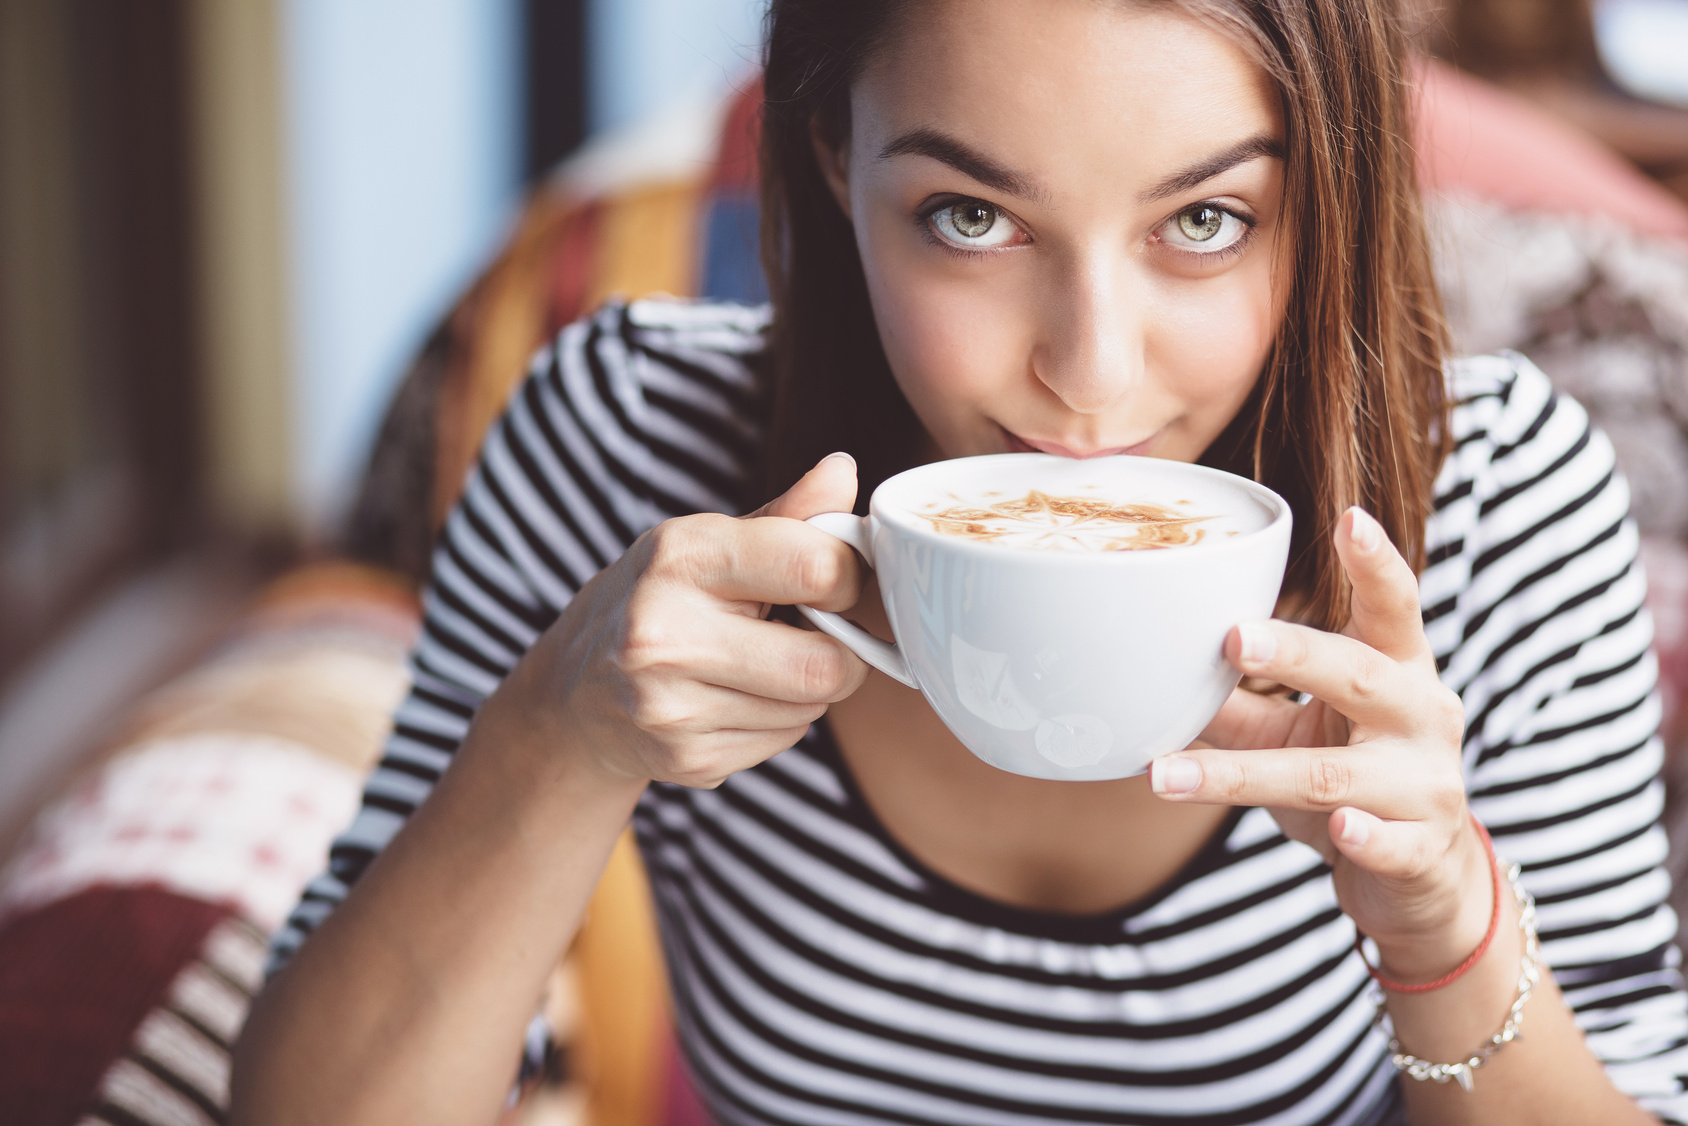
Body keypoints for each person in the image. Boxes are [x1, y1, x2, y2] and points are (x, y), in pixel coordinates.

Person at [230, 1, 1688, 1122]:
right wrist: (557, 738)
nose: (1092, 380)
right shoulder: (623, 449)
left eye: (1205, 221)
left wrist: (1443, 913)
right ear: (831, 155)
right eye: (971, 218)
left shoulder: (1496, 506)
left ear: (1329, 192)